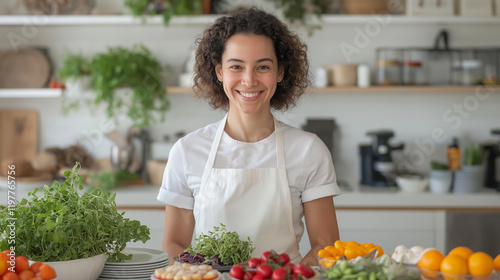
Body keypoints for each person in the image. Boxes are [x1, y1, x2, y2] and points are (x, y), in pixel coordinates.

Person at [157, 7, 341, 265]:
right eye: (236, 66)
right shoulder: (187, 151)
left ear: (280, 72)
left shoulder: (308, 150)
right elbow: (174, 244)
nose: (249, 80)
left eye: (262, 67)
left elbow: (326, 246)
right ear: (219, 72)